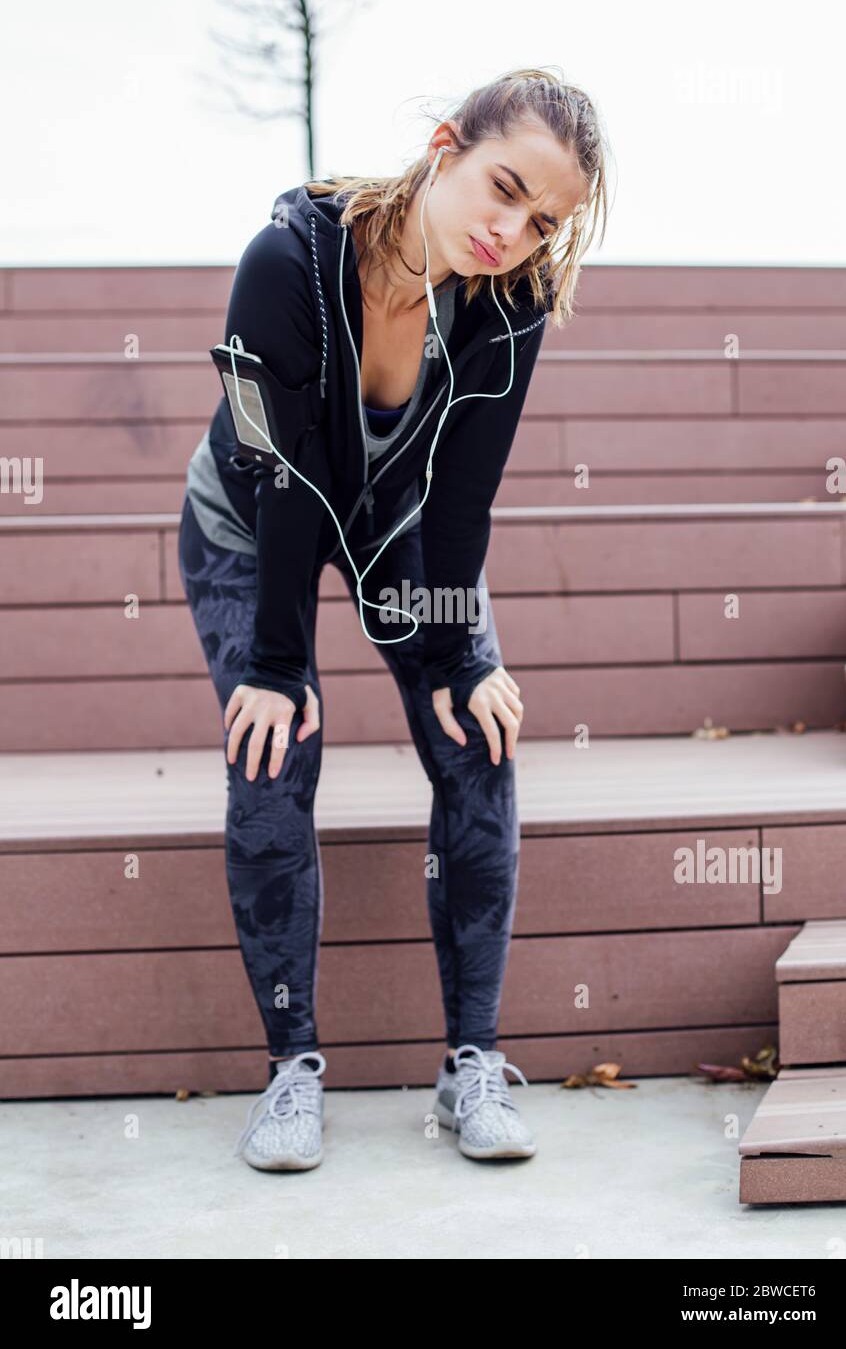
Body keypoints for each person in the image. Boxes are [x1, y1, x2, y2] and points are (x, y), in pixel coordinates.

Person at [178, 67, 609, 1170]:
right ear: (444, 145)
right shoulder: (284, 261)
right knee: (272, 748)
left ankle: (471, 1060)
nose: (509, 232)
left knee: (481, 737)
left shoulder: (506, 309)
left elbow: (463, 496)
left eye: (541, 220)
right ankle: (291, 1072)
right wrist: (279, 666)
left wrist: (464, 652)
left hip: (400, 529)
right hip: (249, 520)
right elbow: (279, 476)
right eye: (501, 188)